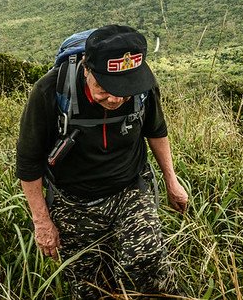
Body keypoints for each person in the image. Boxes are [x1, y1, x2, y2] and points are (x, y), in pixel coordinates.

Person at [16, 24, 189, 299]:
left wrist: (172, 181)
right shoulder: (50, 90)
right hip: (73, 201)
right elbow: (28, 161)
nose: (116, 98)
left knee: (147, 261)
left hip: (129, 189)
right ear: (87, 69)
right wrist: (42, 221)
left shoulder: (142, 86)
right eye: (105, 87)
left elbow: (156, 130)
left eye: (125, 88)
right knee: (89, 285)